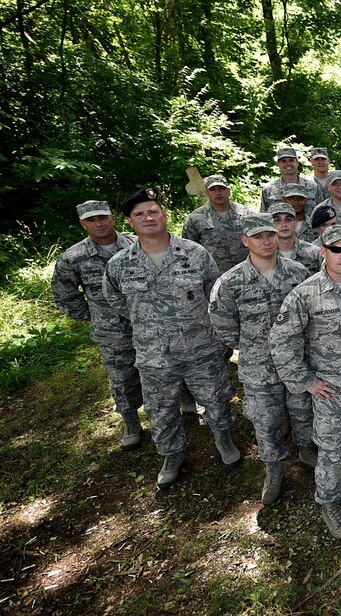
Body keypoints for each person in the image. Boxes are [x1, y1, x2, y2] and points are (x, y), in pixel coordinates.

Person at [102, 188, 240, 488]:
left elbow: (213, 295)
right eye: (140, 214)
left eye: (153, 211)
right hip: (154, 354)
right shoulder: (119, 264)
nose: (148, 217)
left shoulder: (194, 253)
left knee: (216, 399)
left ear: (164, 215)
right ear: (129, 222)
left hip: (200, 347)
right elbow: (115, 302)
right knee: (161, 409)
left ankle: (223, 439)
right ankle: (171, 453)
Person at [270, 225, 341, 540]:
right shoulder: (305, 294)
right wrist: (307, 382)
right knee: (332, 448)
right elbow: (283, 342)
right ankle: (329, 500)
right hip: (331, 388)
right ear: (324, 252)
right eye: (337, 250)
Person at [209, 214, 314, 505]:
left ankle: (306, 451)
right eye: (258, 237)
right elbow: (223, 324)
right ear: (246, 241)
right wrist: (252, 346)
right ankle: (274, 468)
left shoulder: (298, 273)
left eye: (270, 235)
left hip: (297, 361)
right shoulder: (230, 282)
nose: (266, 241)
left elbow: (311, 314)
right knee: (266, 421)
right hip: (259, 366)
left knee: (302, 410)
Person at [52, 200, 144, 450]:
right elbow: (64, 293)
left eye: (102, 217)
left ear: (113, 218)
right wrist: (93, 316)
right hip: (111, 331)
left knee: (165, 366)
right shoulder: (74, 257)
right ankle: (131, 421)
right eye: (91, 220)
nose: (98, 223)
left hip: (149, 322)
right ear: (83, 224)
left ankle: (183, 403)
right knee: (122, 377)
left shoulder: (138, 244)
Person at [181, 175, 253, 275]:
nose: (218, 193)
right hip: (213, 276)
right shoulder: (195, 218)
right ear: (207, 193)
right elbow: (188, 250)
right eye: (213, 190)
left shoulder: (246, 213)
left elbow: (258, 240)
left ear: (228, 191)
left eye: (221, 189)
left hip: (247, 272)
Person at [261, 147, 321, 212]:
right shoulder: (269, 189)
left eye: (291, 160)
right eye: (283, 161)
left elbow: (321, 212)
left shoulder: (313, 187)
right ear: (278, 164)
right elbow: (263, 215)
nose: (288, 164)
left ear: (297, 163)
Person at [268, 202, 322, 275]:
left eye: (288, 220)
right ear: (270, 224)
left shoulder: (315, 253)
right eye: (277, 220)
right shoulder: (264, 254)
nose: (284, 224)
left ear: (295, 223)